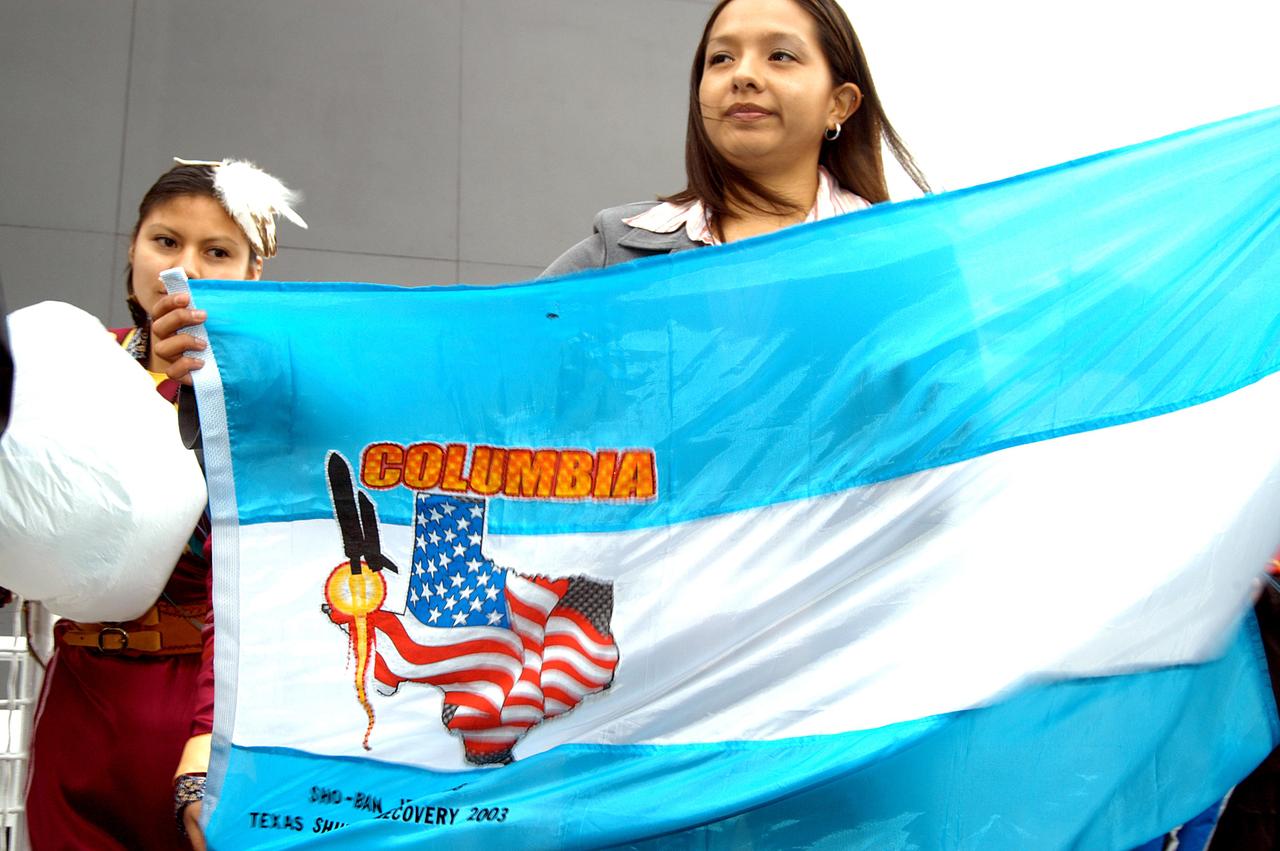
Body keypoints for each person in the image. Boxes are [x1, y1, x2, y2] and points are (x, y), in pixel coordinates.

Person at [23, 158, 304, 851]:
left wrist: (212, 738)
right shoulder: (76, 364)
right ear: (132, 248)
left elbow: (260, 587)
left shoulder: (273, 403)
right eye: (166, 241)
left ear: (253, 270)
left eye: (218, 252)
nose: (187, 267)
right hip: (80, 706)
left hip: (204, 711)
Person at [542, 0, 929, 277]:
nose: (742, 76)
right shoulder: (619, 252)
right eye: (721, 58)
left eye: (780, 56)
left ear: (839, 104)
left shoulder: (901, 259)